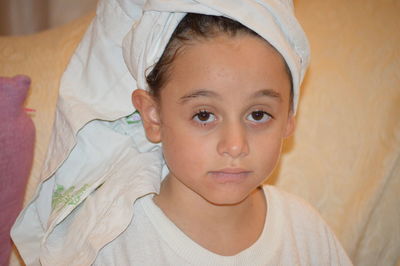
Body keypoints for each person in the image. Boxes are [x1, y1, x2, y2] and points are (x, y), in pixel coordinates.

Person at [11, 1, 352, 265]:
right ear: (153, 116)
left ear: (289, 117)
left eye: (258, 114)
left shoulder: (305, 234)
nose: (235, 145)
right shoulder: (109, 245)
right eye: (204, 115)